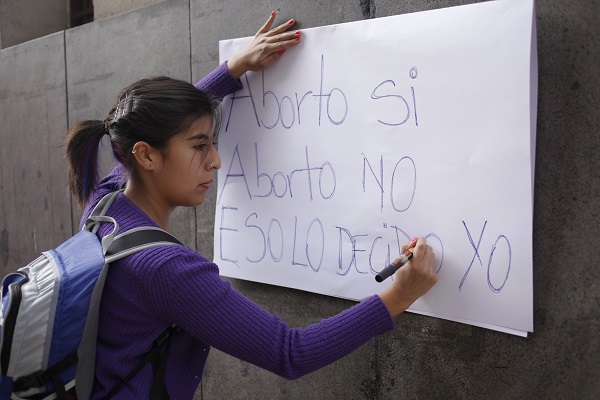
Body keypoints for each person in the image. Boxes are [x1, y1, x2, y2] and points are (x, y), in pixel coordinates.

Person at [63, 12, 438, 399]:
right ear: (145, 156)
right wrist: (399, 296)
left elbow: (158, 126)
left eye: (212, 142)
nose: (216, 161)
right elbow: (291, 352)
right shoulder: (166, 271)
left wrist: (234, 68)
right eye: (199, 146)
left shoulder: (103, 204)